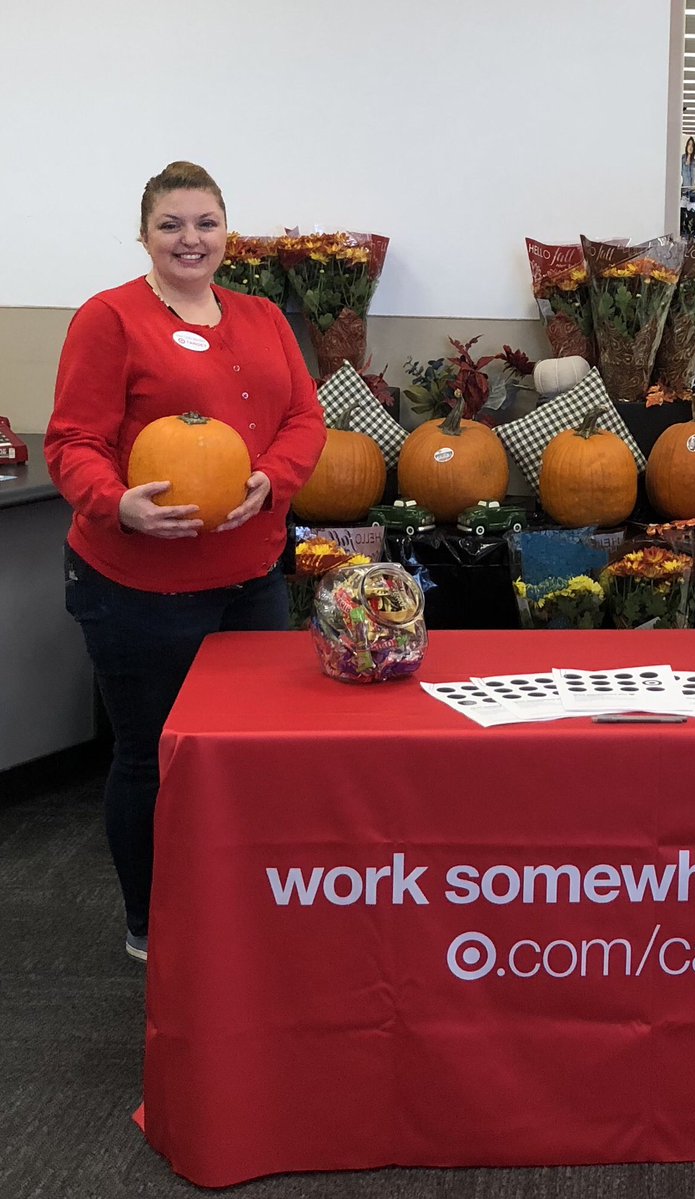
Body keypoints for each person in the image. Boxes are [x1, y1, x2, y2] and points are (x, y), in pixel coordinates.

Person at [44, 162, 327, 961]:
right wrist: (116, 502)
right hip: (138, 586)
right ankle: (151, 923)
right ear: (145, 236)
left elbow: (305, 419)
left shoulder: (266, 317)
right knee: (150, 757)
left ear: (226, 232)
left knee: (246, 756)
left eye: (204, 223)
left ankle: (236, 908)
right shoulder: (110, 319)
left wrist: (273, 481)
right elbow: (74, 442)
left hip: (250, 581)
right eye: (171, 225)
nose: (190, 239)